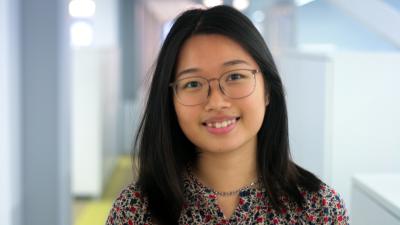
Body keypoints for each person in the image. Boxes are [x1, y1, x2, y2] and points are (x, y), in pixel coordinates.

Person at [106, 5, 349, 225]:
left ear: (267, 91)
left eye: (235, 76)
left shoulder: (319, 209)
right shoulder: (135, 211)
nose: (216, 102)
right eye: (192, 84)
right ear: (170, 102)